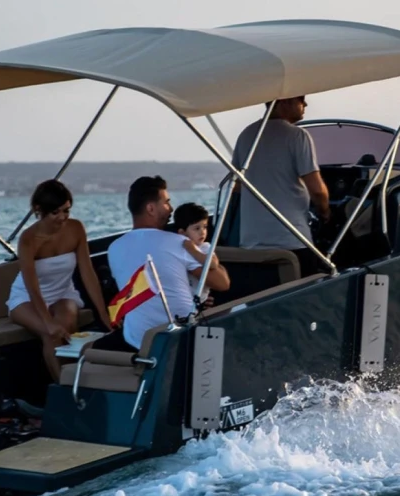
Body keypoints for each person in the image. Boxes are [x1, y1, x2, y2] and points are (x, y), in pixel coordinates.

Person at [106, 176, 230, 349]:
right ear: (151, 208)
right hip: (180, 336)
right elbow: (222, 283)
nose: (171, 209)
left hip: (137, 340)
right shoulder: (178, 243)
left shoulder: (114, 249)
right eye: (166, 202)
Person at [7, 179, 112, 382]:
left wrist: (103, 314)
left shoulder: (76, 229)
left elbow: (87, 273)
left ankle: (77, 385)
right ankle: (64, 392)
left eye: (66, 211)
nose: (62, 218)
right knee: (51, 334)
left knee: (67, 327)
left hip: (63, 293)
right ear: (39, 210)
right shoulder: (28, 239)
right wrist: (47, 320)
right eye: (56, 212)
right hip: (27, 296)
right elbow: (31, 285)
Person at [232, 95, 331, 277]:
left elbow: (236, 186)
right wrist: (325, 213)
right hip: (292, 242)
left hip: (251, 246)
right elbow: (317, 191)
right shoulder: (297, 136)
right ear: (283, 102)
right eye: (301, 99)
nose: (305, 104)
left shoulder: (246, 135)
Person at [174, 202, 217, 305]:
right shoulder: (176, 248)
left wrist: (193, 250)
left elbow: (213, 264)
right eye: (197, 228)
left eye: (205, 227)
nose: (202, 232)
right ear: (182, 233)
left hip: (201, 300)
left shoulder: (205, 247)